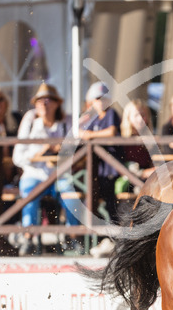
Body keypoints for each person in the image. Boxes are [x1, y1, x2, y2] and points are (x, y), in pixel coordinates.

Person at [13, 83, 81, 255]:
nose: (44, 104)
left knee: (71, 195)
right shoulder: (30, 123)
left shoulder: (66, 124)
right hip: (34, 174)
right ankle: (28, 237)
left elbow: (78, 155)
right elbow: (17, 157)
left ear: (57, 103)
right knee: (29, 195)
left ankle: (72, 237)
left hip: (59, 175)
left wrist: (60, 153)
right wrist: (43, 151)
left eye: (48, 100)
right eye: (40, 100)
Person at [77, 81, 121, 217]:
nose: (101, 102)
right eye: (98, 99)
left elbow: (111, 131)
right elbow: (80, 134)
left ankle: (111, 232)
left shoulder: (111, 113)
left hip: (111, 165)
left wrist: (90, 135)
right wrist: (81, 125)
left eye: (104, 98)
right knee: (93, 198)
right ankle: (98, 233)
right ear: (91, 102)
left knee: (110, 201)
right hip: (98, 167)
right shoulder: (93, 119)